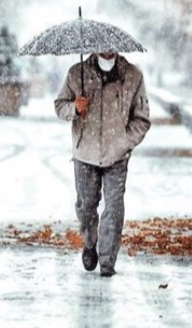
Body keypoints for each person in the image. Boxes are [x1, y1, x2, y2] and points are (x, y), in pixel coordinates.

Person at [55, 50, 151, 277]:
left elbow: (142, 118)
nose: (106, 49)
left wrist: (125, 141)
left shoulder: (133, 76)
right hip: (85, 153)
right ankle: (90, 243)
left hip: (116, 155)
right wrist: (74, 108)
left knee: (114, 208)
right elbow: (60, 106)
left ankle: (107, 261)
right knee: (86, 206)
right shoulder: (77, 73)